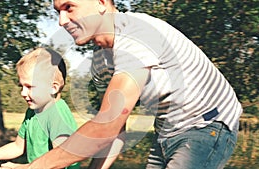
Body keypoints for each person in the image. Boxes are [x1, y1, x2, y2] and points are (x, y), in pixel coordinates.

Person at [13, 0, 243, 169]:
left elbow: (107, 126)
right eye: (57, 12)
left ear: (101, 3)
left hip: (208, 124)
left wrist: (33, 167)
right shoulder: (101, 63)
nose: (62, 21)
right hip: (167, 131)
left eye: (69, 8)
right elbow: (115, 128)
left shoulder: (137, 33)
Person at [0, 48, 80, 169]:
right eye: (21, 86)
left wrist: (21, 167)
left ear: (53, 88)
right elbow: (18, 146)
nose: (23, 93)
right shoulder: (33, 111)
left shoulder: (57, 115)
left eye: (30, 86)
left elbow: (59, 161)